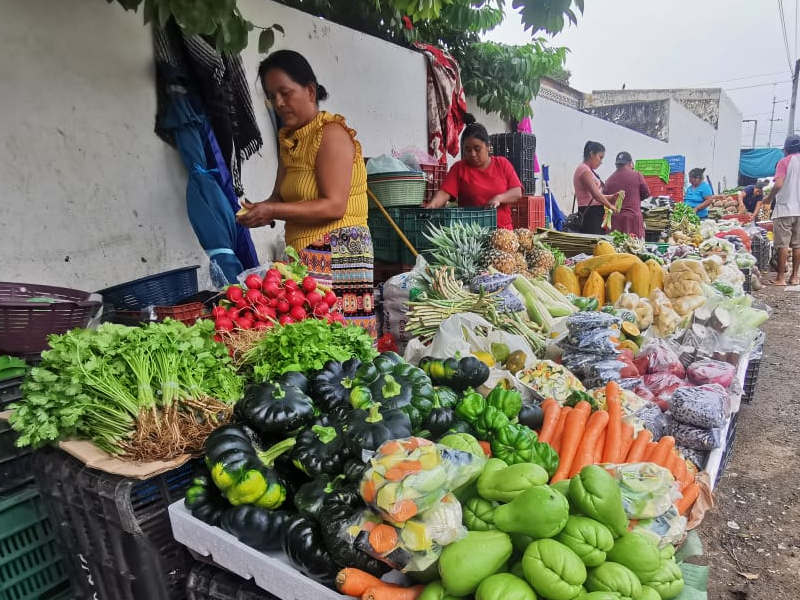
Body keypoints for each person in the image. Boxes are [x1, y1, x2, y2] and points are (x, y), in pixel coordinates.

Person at [236, 50, 376, 336]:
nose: (278, 103)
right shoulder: (291, 139)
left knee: (342, 346)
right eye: (272, 95)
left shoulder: (331, 134)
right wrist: (260, 210)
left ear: (310, 90)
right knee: (312, 348)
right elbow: (281, 197)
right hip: (305, 256)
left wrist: (274, 211)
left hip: (339, 253)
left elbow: (334, 206)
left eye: (285, 92)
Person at [423, 115, 522, 230]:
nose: (473, 154)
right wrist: (432, 206)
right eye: (468, 150)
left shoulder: (502, 163)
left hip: (502, 232)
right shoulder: (459, 168)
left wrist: (499, 198)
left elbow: (517, 192)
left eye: (477, 149)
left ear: (488, 147)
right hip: (470, 233)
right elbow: (445, 193)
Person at [762, 134, 800, 286]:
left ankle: (780, 278)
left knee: (783, 244)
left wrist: (769, 199)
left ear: (786, 149)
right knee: (797, 245)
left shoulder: (784, 162)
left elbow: (778, 184)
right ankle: (795, 277)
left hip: (785, 209)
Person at [572, 141, 619, 234]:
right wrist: (610, 206)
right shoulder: (584, 170)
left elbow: (592, 197)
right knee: (595, 244)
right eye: (600, 157)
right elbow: (596, 194)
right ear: (591, 154)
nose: (601, 162)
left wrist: (611, 197)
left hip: (593, 213)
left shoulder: (587, 170)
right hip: (590, 214)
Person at [602, 151, 650, 238]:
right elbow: (646, 193)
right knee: (634, 247)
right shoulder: (637, 175)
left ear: (616, 165)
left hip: (614, 222)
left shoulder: (609, 180)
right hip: (632, 221)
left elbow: (603, 198)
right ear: (630, 163)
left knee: (614, 248)